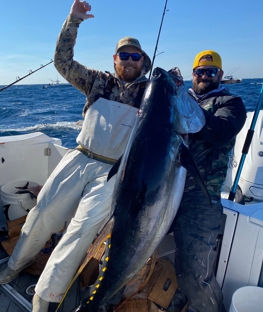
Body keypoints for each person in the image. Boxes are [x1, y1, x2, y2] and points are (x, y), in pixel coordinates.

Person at [0, 0, 151, 311]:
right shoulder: (97, 81)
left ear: (143, 61)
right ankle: (15, 264)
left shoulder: (151, 94)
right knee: (43, 213)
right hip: (79, 158)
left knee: (80, 232)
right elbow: (61, 60)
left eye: (136, 56)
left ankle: (46, 296)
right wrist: (74, 20)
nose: (130, 60)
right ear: (115, 59)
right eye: (124, 55)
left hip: (112, 173)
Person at [170, 50, 246, 312]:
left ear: (220, 75)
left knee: (195, 272)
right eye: (199, 71)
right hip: (167, 190)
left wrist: (179, 97)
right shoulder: (180, 98)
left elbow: (219, 133)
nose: (204, 76)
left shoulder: (231, 103)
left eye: (210, 72)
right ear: (193, 74)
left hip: (201, 197)